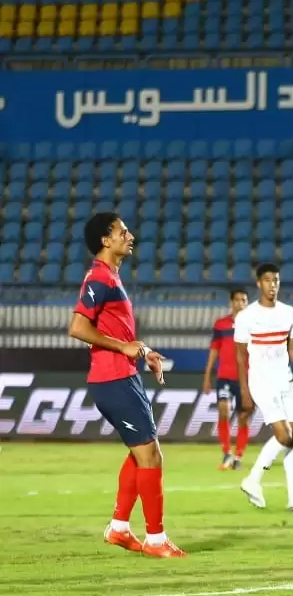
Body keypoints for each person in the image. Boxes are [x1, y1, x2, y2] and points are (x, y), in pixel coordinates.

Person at [68, 211, 185, 558]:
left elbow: (120, 333)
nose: (129, 235)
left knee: (140, 455)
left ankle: (119, 529)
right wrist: (124, 348)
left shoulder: (110, 277)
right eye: (122, 231)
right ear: (106, 240)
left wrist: (143, 350)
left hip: (123, 375)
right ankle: (155, 538)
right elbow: (77, 327)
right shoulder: (99, 278)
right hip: (113, 377)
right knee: (151, 456)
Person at [235, 263, 293, 514]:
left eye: (276, 280)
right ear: (259, 283)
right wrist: (244, 391)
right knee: (284, 436)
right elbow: (240, 356)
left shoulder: (288, 312)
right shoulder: (247, 316)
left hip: (285, 381)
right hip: (261, 381)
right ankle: (252, 479)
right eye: (268, 280)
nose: (273, 285)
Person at [203, 287, 251, 470]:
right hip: (224, 376)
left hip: (245, 379)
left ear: (247, 303)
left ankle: (238, 456)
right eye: (237, 299)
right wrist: (207, 375)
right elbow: (214, 350)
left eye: (243, 300)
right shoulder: (221, 325)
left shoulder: (253, 326)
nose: (240, 303)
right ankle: (226, 452)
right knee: (223, 410)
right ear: (231, 302)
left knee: (243, 417)